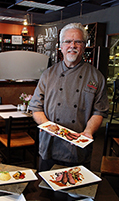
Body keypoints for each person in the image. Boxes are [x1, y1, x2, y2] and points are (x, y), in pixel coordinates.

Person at [29, 22, 109, 171]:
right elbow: (35, 107)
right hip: (50, 145)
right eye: (68, 41)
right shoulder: (48, 74)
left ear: (84, 46)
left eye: (78, 42)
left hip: (78, 146)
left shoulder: (96, 77)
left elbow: (99, 111)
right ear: (61, 46)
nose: (72, 45)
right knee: (46, 189)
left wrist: (88, 131)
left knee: (75, 192)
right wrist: (47, 125)